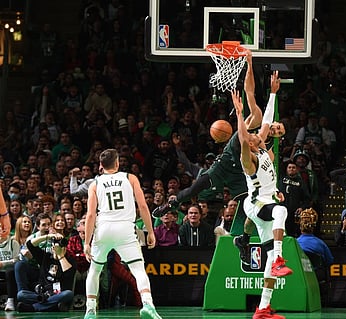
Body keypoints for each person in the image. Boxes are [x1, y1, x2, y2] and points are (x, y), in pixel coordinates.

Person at [155, 55, 285, 265]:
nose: (275, 129)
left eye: (278, 131)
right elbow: (250, 91)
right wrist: (250, 65)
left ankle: (243, 239)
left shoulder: (261, 142)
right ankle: (171, 204)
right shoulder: (254, 124)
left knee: (250, 205)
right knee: (196, 188)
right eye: (276, 126)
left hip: (239, 173)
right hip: (223, 165)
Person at [232, 90, 292, 319]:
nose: (259, 134)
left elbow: (266, 118)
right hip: (255, 204)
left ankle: (263, 308)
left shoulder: (264, 148)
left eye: (259, 135)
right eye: (253, 136)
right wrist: (239, 115)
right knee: (281, 211)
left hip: (266, 201)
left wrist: (274, 93)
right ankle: (278, 258)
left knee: (266, 259)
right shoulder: (249, 159)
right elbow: (242, 138)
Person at [83, 149, 162, 319]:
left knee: (95, 270)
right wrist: (150, 232)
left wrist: (87, 242)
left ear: (101, 166)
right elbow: (142, 206)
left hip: (103, 228)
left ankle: (90, 310)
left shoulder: (95, 184)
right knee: (138, 269)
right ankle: (148, 304)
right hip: (125, 229)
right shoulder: (130, 178)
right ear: (117, 163)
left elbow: (90, 215)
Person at [17, 231, 75, 312]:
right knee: (21, 294)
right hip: (42, 294)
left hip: (58, 294)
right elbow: (30, 244)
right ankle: (52, 306)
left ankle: (34, 307)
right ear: (52, 247)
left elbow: (68, 274)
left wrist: (61, 256)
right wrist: (48, 236)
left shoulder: (70, 260)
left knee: (68, 294)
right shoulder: (46, 257)